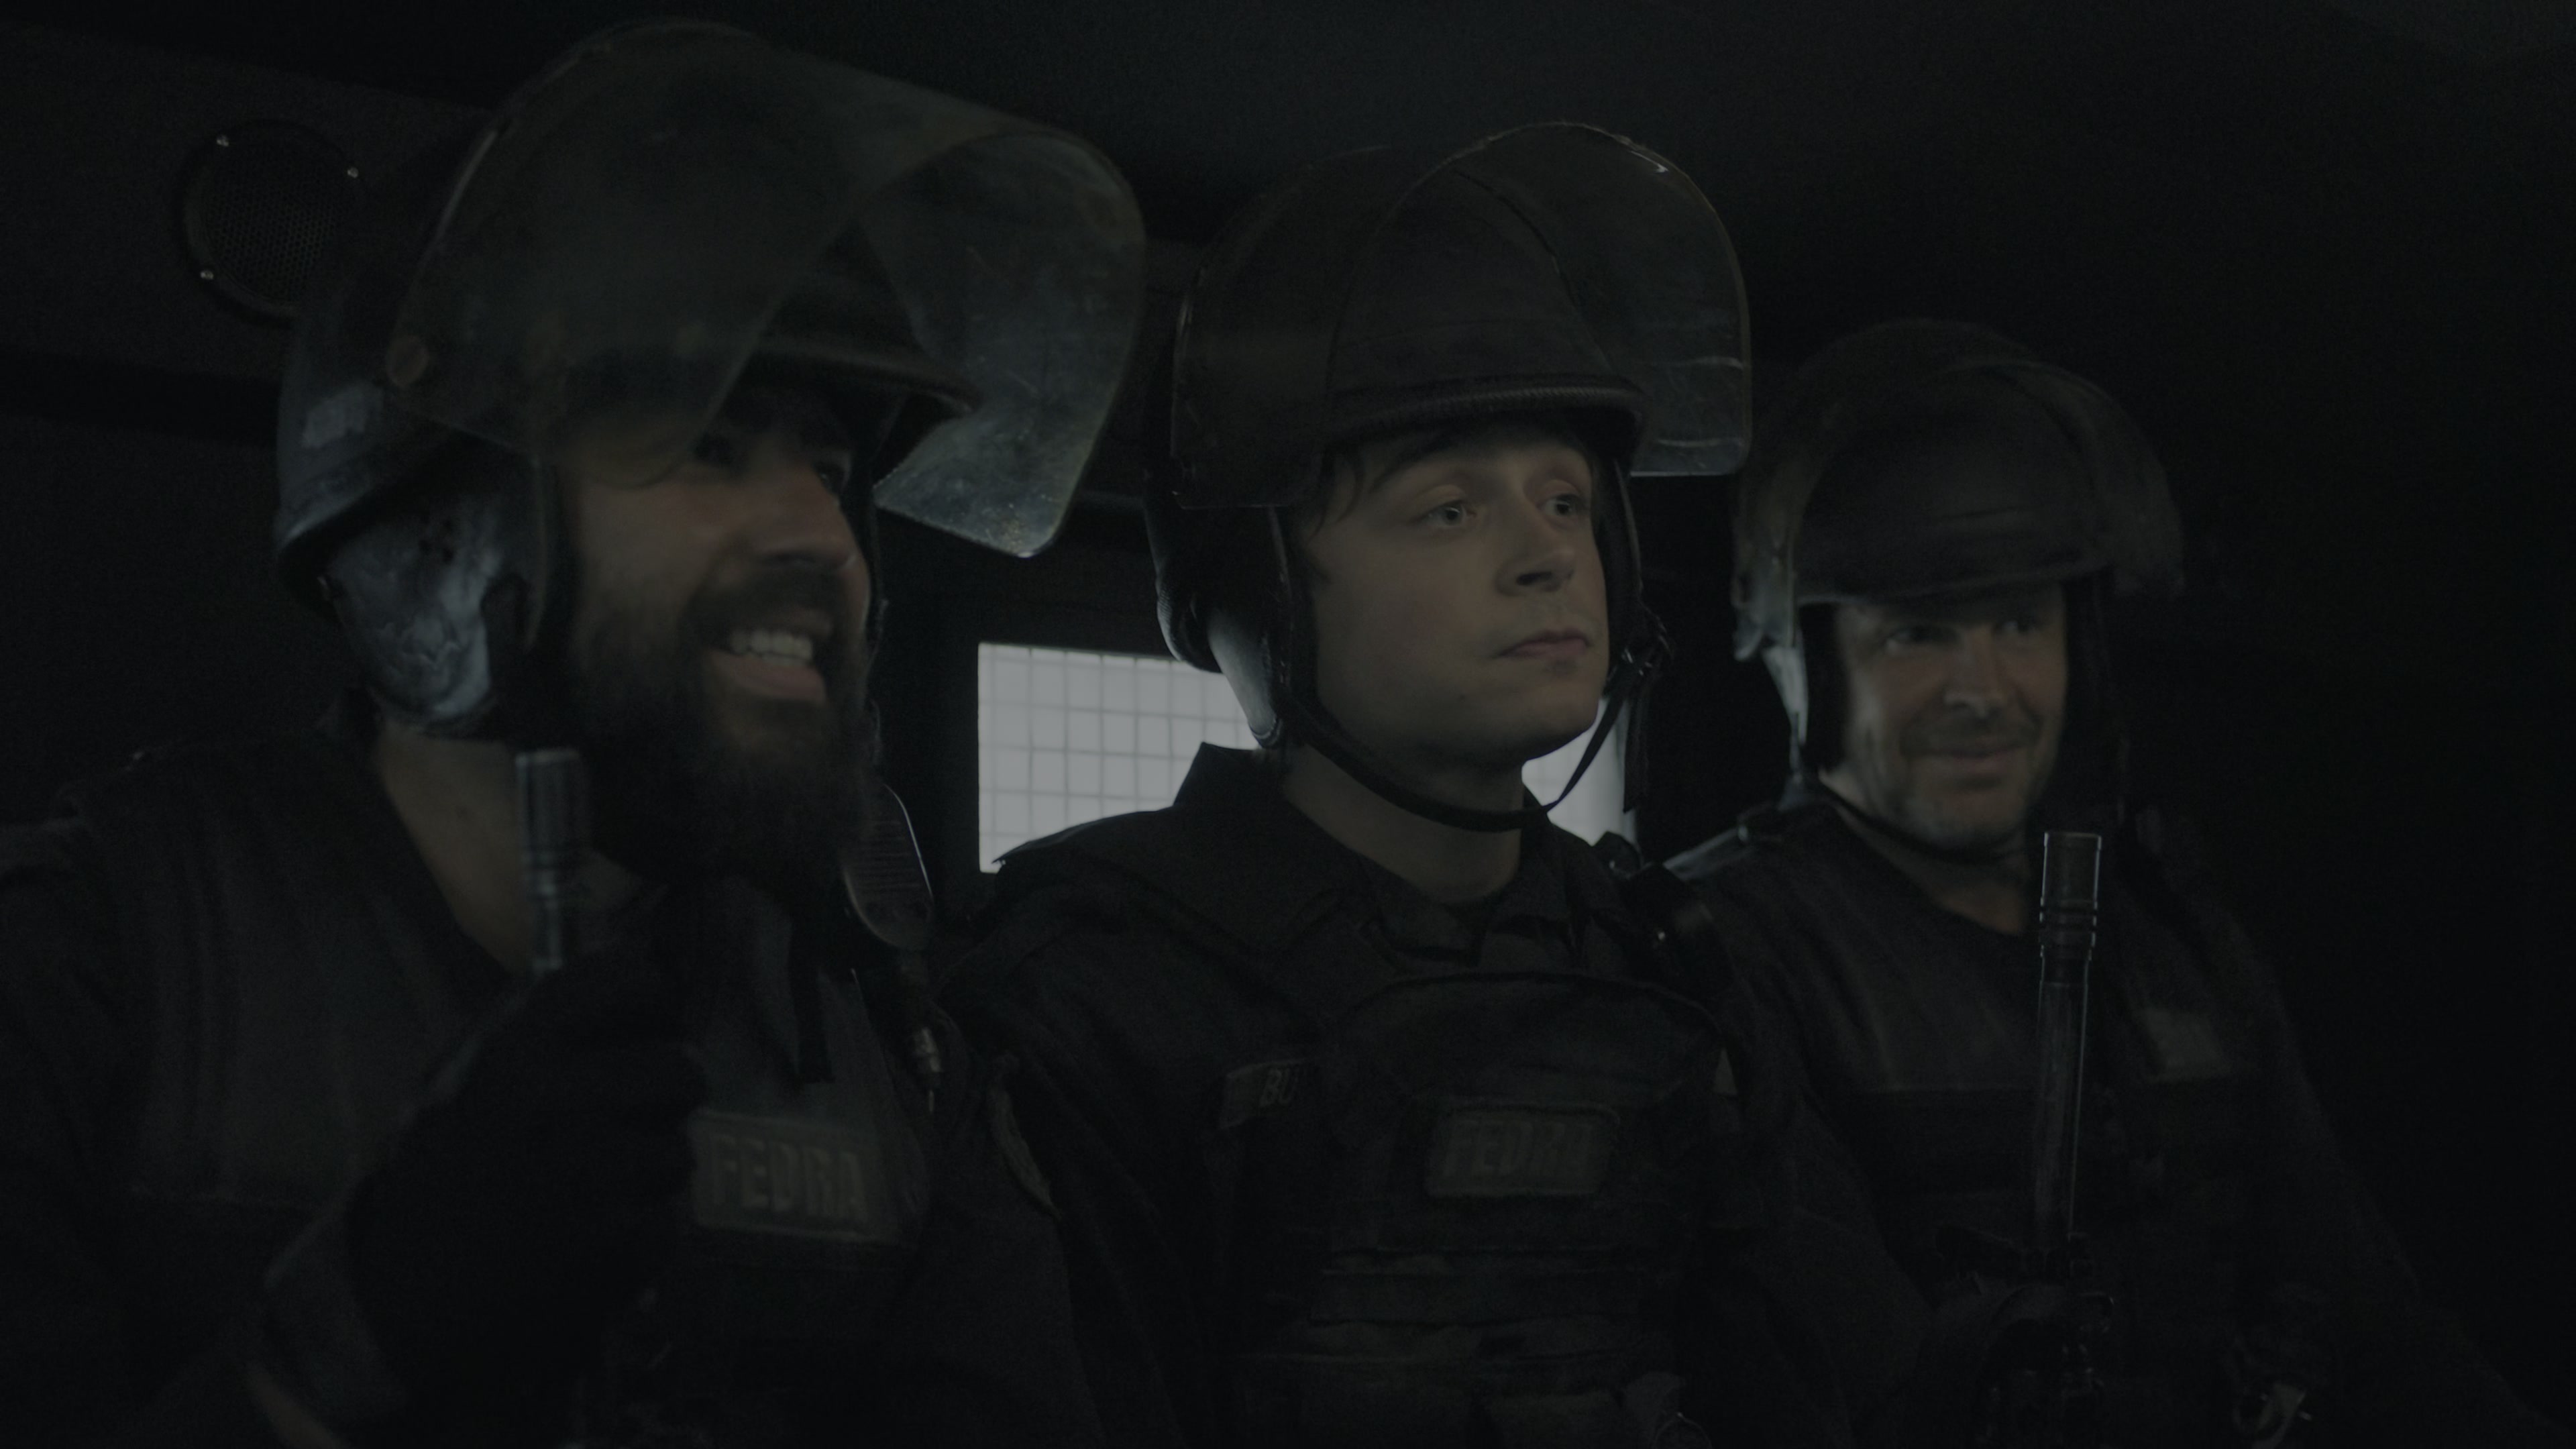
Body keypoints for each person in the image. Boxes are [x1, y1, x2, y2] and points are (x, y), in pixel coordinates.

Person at [0, 19, 1145, 1447]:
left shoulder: (878, 1045)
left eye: (831, 465)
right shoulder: (95, 961)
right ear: (456, 522)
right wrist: (354, 1334)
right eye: (707, 446)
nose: (821, 537)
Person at [952, 125, 1882, 1449]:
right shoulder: (1095, 990)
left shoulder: (1669, 969)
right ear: (1267, 588)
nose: (1544, 558)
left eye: (1566, 502)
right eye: (1450, 509)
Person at [1662, 319, 2567, 1447]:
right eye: (1919, 633)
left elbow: (2369, 1318)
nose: (1983, 689)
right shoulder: (1725, 951)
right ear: (1814, 663)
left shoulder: (2168, 929)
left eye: (2019, 622)